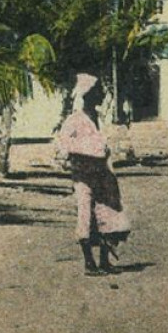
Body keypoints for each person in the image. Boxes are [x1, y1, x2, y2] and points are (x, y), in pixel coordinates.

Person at [56, 73, 132, 275]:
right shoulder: (75, 120)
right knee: (85, 215)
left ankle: (104, 261)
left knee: (106, 214)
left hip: (102, 173)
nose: (101, 95)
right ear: (88, 94)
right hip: (84, 176)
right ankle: (89, 263)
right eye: (97, 92)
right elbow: (62, 145)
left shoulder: (98, 119)